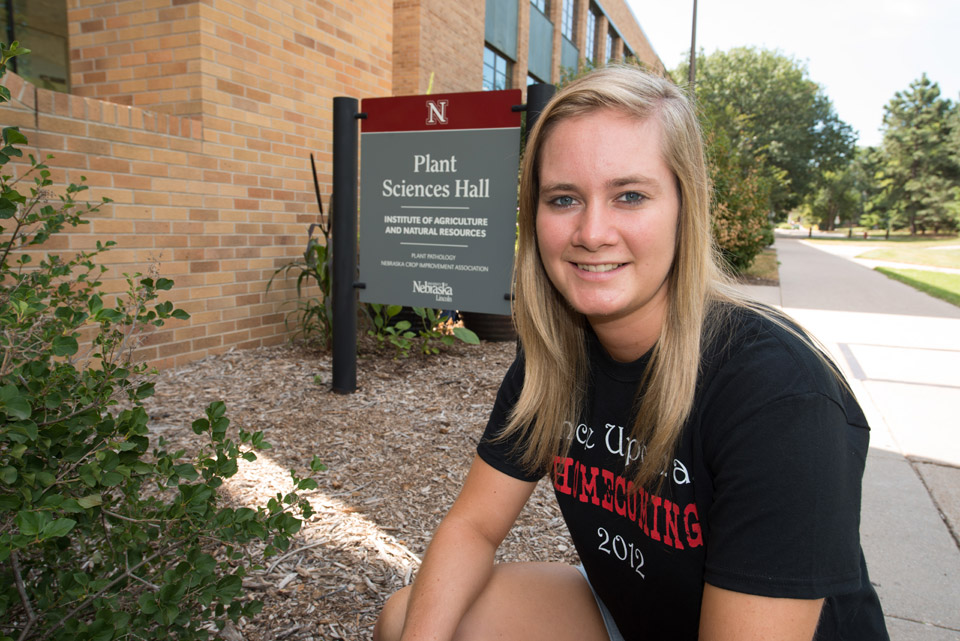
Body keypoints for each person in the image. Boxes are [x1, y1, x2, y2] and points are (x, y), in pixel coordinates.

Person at [373, 65, 888, 641]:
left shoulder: (778, 393)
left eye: (630, 196)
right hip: (637, 615)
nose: (592, 232)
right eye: (564, 198)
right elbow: (474, 526)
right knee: (407, 621)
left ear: (685, 208)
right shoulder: (556, 359)